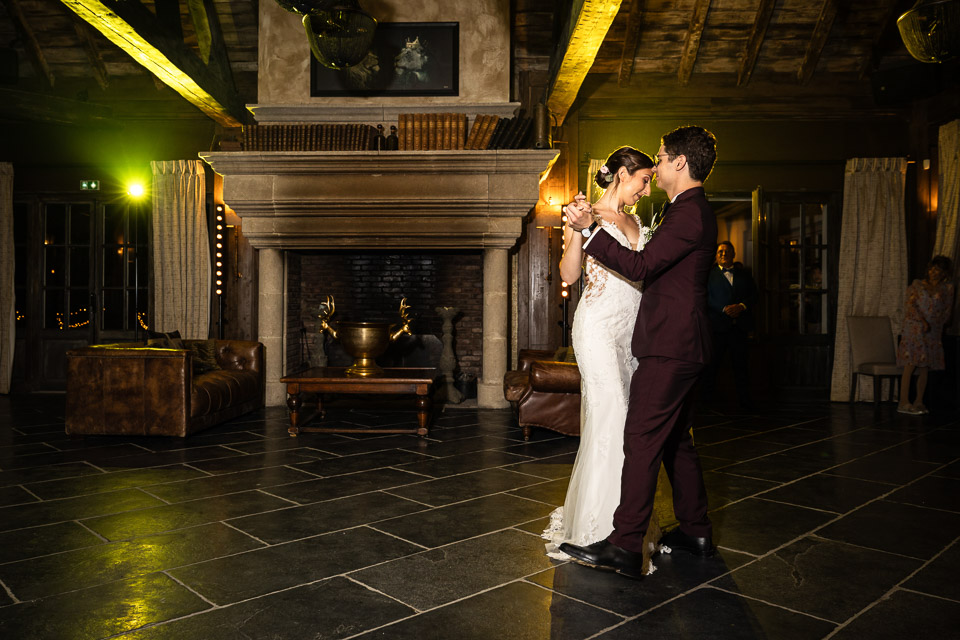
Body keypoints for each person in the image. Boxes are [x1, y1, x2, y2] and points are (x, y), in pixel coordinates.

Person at [560, 125, 719, 579]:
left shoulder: (688, 213)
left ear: (679, 163)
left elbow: (642, 266)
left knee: (642, 437)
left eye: (663, 159)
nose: (658, 167)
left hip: (670, 345)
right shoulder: (687, 211)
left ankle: (626, 545)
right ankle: (697, 530)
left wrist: (591, 228)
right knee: (675, 442)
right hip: (675, 341)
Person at [541, 147, 661, 574]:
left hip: (631, 333)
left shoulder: (638, 223)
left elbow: (644, 274)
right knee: (612, 416)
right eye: (643, 179)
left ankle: (630, 527)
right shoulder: (582, 212)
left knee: (631, 424)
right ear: (623, 174)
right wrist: (574, 229)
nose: (647, 188)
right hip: (595, 328)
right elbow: (569, 275)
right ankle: (600, 530)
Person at [896, 255, 954, 415]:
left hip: (933, 330)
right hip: (914, 327)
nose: (934, 272)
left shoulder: (946, 288)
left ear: (944, 273)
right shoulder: (917, 285)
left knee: (924, 366)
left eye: (939, 270)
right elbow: (910, 305)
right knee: (911, 363)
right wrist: (922, 321)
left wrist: (937, 326)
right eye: (933, 268)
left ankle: (919, 401)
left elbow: (946, 311)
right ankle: (903, 401)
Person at [704, 241, 757, 410]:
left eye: (727, 251)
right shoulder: (708, 275)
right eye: (720, 251)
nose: (723, 254)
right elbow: (704, 298)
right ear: (716, 255)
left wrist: (741, 306)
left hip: (739, 329)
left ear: (734, 254)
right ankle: (707, 403)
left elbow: (754, 295)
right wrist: (723, 309)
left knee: (741, 367)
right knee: (712, 367)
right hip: (717, 328)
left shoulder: (744, 275)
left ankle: (745, 402)